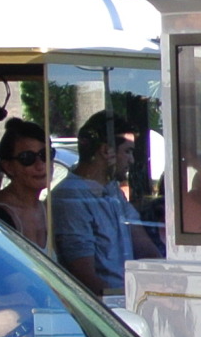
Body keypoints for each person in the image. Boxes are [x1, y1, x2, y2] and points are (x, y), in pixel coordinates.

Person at [52, 112, 137, 299]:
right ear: (106, 151)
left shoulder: (112, 190)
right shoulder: (71, 196)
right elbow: (84, 276)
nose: (131, 160)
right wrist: (121, 304)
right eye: (128, 151)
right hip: (106, 308)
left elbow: (142, 242)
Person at [0, 118, 50, 247]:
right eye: (27, 158)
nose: (40, 165)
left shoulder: (46, 210)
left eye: (46, 154)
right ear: (8, 166)